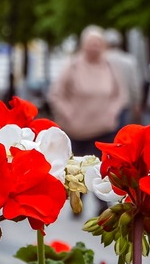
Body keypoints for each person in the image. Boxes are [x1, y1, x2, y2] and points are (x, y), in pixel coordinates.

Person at [48, 27, 126, 211]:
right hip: (77, 127)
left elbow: (120, 94)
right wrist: (67, 114)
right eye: (91, 43)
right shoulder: (73, 65)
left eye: (98, 44)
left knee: (102, 168)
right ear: (84, 45)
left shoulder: (110, 67)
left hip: (103, 127)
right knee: (78, 168)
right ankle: (78, 200)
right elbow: (55, 94)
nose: (94, 47)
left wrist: (113, 112)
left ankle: (102, 202)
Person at [104, 28, 142, 126]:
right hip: (124, 102)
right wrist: (137, 102)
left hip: (105, 103)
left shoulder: (101, 60)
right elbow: (134, 84)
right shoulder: (129, 60)